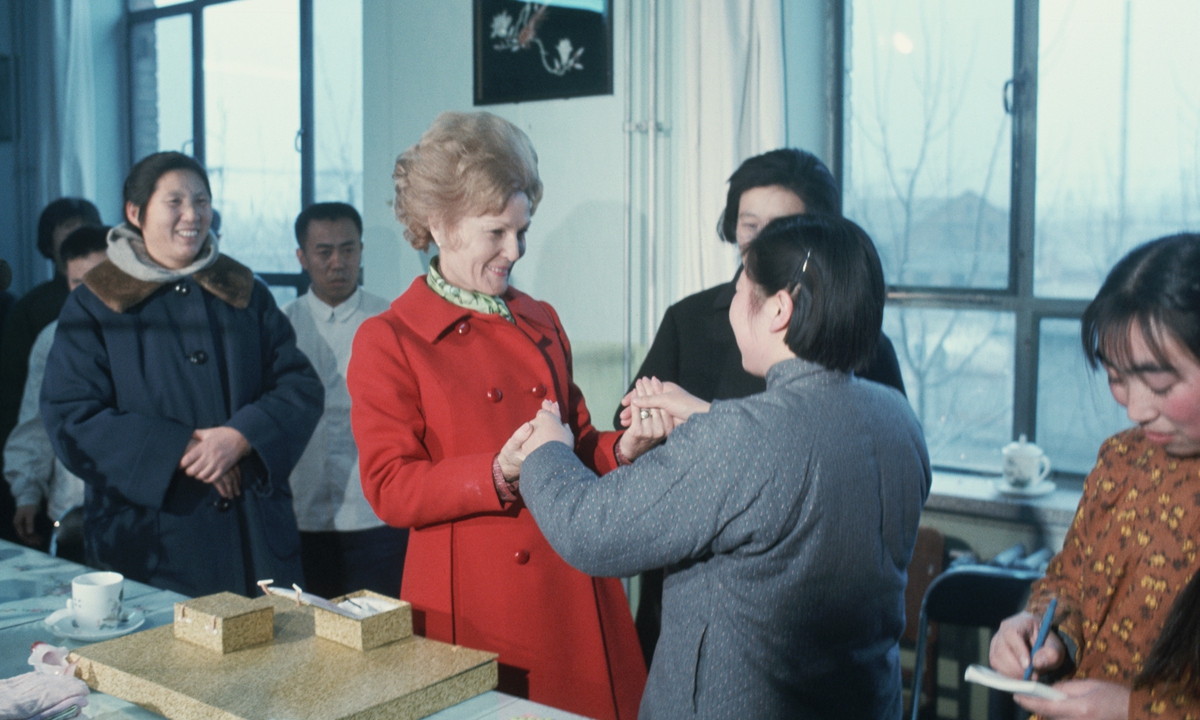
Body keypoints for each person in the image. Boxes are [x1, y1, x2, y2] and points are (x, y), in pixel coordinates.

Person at [511, 214, 931, 719]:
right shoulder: (898, 420)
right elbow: (805, 453)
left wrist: (548, 451)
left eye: (740, 289)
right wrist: (705, 417)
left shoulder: (742, 437)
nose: (731, 303)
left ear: (779, 309)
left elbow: (593, 530)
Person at [347, 111, 650, 720]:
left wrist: (624, 447)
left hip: (569, 581)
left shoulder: (540, 318)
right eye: (496, 232)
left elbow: (575, 442)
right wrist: (495, 472)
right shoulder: (390, 339)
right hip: (477, 599)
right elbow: (390, 487)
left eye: (522, 230)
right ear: (440, 224)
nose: (515, 251)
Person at [615, 148, 909, 663]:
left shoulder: (862, 343)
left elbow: (870, 477)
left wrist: (705, 418)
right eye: (749, 225)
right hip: (686, 613)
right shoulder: (689, 320)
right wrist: (636, 438)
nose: (760, 243)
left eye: (781, 228)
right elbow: (624, 448)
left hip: (804, 621)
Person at [41, 151, 323, 598]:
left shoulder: (244, 290)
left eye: (201, 201)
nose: (192, 215)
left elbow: (299, 386)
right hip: (151, 544)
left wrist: (240, 437)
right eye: (174, 202)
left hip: (252, 535)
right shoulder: (95, 302)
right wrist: (182, 449)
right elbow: (71, 415)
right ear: (135, 212)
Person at [988, 234, 1200, 720]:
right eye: (1117, 378)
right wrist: (1042, 632)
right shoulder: (1122, 460)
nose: (1136, 409)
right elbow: (1069, 581)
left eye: (1161, 385)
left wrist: (1133, 711)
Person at [282, 201, 408, 599]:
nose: (338, 262)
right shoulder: (282, 325)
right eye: (324, 252)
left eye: (348, 249)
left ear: (361, 251)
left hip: (375, 515)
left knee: (380, 621)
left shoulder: (391, 320)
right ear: (302, 257)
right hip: (301, 513)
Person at [0, 198, 102, 542]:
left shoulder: (145, 332)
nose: (89, 293)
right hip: (71, 505)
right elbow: (34, 415)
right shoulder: (49, 333)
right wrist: (27, 491)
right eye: (78, 283)